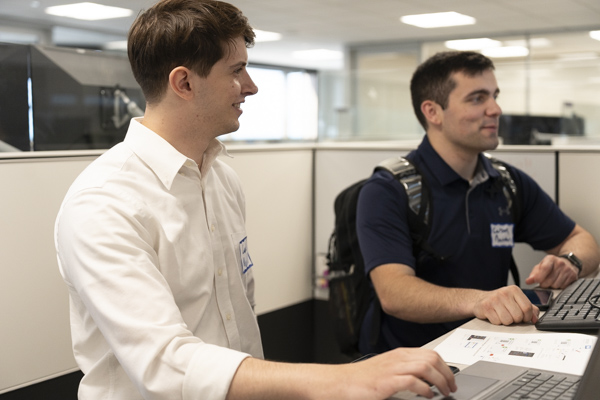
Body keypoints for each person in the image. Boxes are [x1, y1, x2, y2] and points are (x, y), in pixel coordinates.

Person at [54, 1, 457, 399]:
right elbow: (163, 364)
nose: (251, 86)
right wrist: (341, 380)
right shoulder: (104, 203)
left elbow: (238, 321)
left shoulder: (221, 179)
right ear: (184, 83)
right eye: (236, 70)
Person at [356, 51, 600, 355]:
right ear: (433, 112)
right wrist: (480, 300)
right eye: (477, 98)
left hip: (489, 352)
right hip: (411, 365)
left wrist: (570, 263)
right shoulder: (387, 190)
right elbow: (395, 292)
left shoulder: (507, 182)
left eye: (495, 96)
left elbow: (581, 239)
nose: (496, 109)